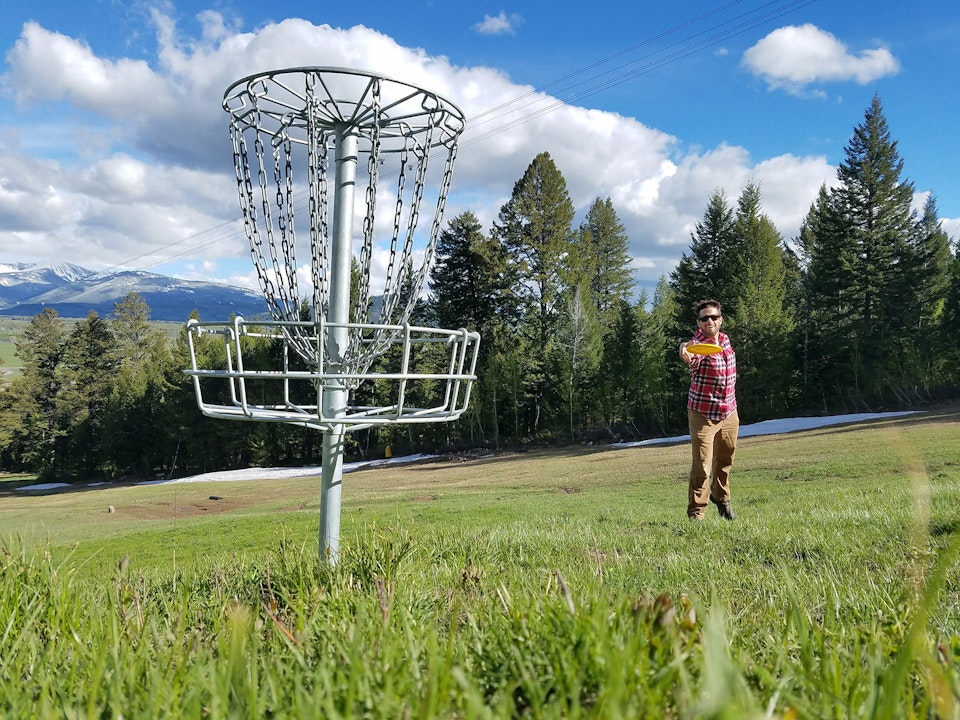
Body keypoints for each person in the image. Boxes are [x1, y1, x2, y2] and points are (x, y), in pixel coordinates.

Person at [679, 299, 738, 521]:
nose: (709, 321)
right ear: (699, 322)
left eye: (713, 317)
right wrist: (684, 350)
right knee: (702, 466)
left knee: (725, 460)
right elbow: (690, 352)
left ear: (720, 320)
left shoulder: (724, 340)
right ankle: (696, 513)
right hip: (703, 414)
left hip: (730, 412)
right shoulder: (698, 345)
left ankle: (721, 498)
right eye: (704, 318)